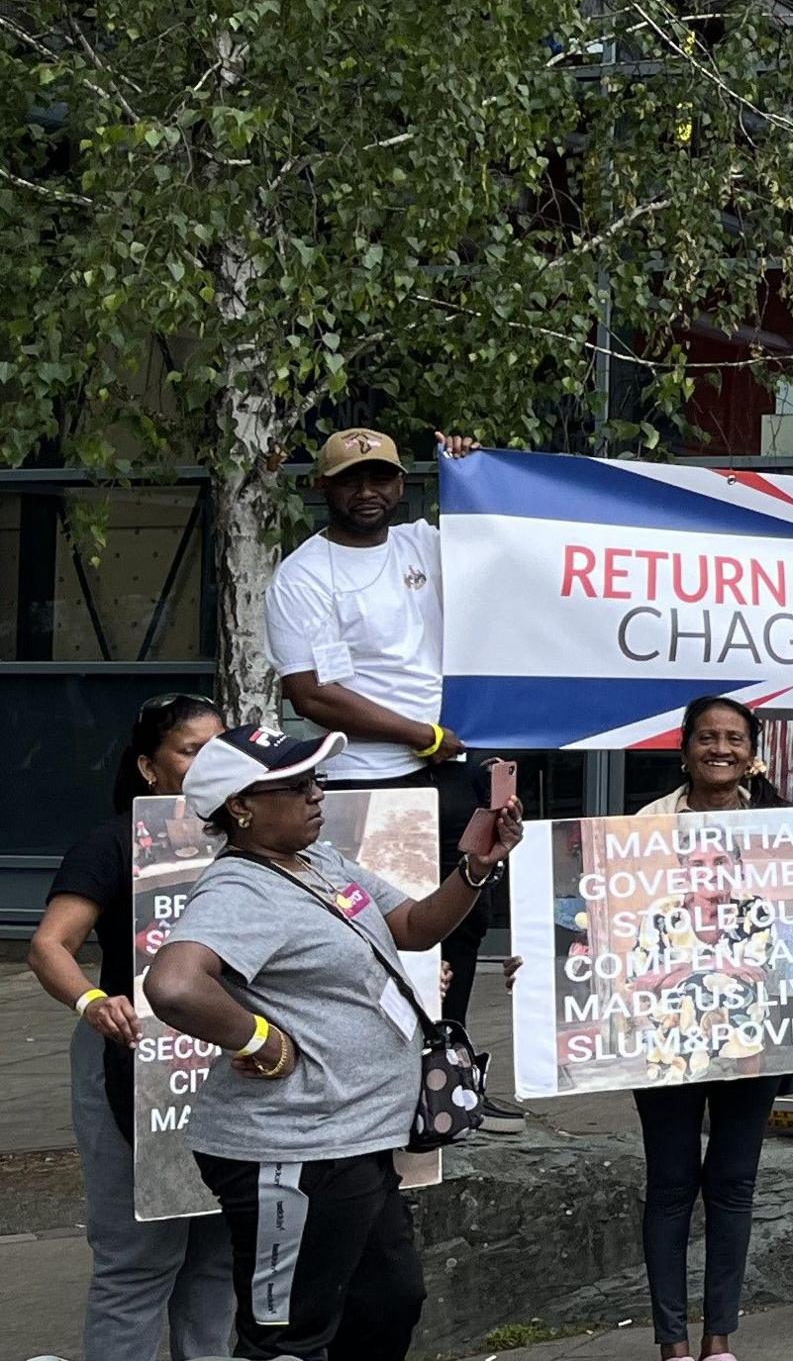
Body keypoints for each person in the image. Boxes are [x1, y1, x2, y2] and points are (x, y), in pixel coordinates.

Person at [143, 728, 520, 1361]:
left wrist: (476, 867)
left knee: (388, 1305)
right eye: (298, 785)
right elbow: (175, 985)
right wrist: (261, 1039)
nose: (319, 794)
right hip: (293, 1151)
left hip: (357, 1138)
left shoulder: (319, 863)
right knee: (289, 1338)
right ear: (240, 806)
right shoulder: (240, 888)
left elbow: (415, 927)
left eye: (317, 779)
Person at [263, 427, 521, 1127]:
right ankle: (382, 1083)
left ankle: (450, 1077)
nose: (367, 492)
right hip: (362, 784)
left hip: (451, 778)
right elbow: (312, 694)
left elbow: (504, 547)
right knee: (378, 938)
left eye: (380, 478)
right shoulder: (304, 575)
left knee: (465, 923)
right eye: (350, 480)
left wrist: (478, 468)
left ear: (402, 485)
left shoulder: (422, 546)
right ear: (324, 489)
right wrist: (419, 734)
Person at [29, 694, 235, 1361]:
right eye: (191, 750)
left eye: (220, 750)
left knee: (218, 1255)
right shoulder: (111, 844)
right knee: (139, 1257)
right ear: (149, 768)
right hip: (129, 1057)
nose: (209, 764)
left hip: (225, 1062)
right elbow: (49, 947)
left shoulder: (249, 842)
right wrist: (93, 1002)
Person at [629, 696, 793, 1361]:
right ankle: (671, 1340)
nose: (719, 748)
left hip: (747, 1040)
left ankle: (719, 1336)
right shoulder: (641, 827)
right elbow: (620, 946)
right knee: (671, 1183)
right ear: (685, 747)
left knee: (734, 1181)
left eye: (733, 738)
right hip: (665, 1042)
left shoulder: (782, 829)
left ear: (751, 751)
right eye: (706, 737)